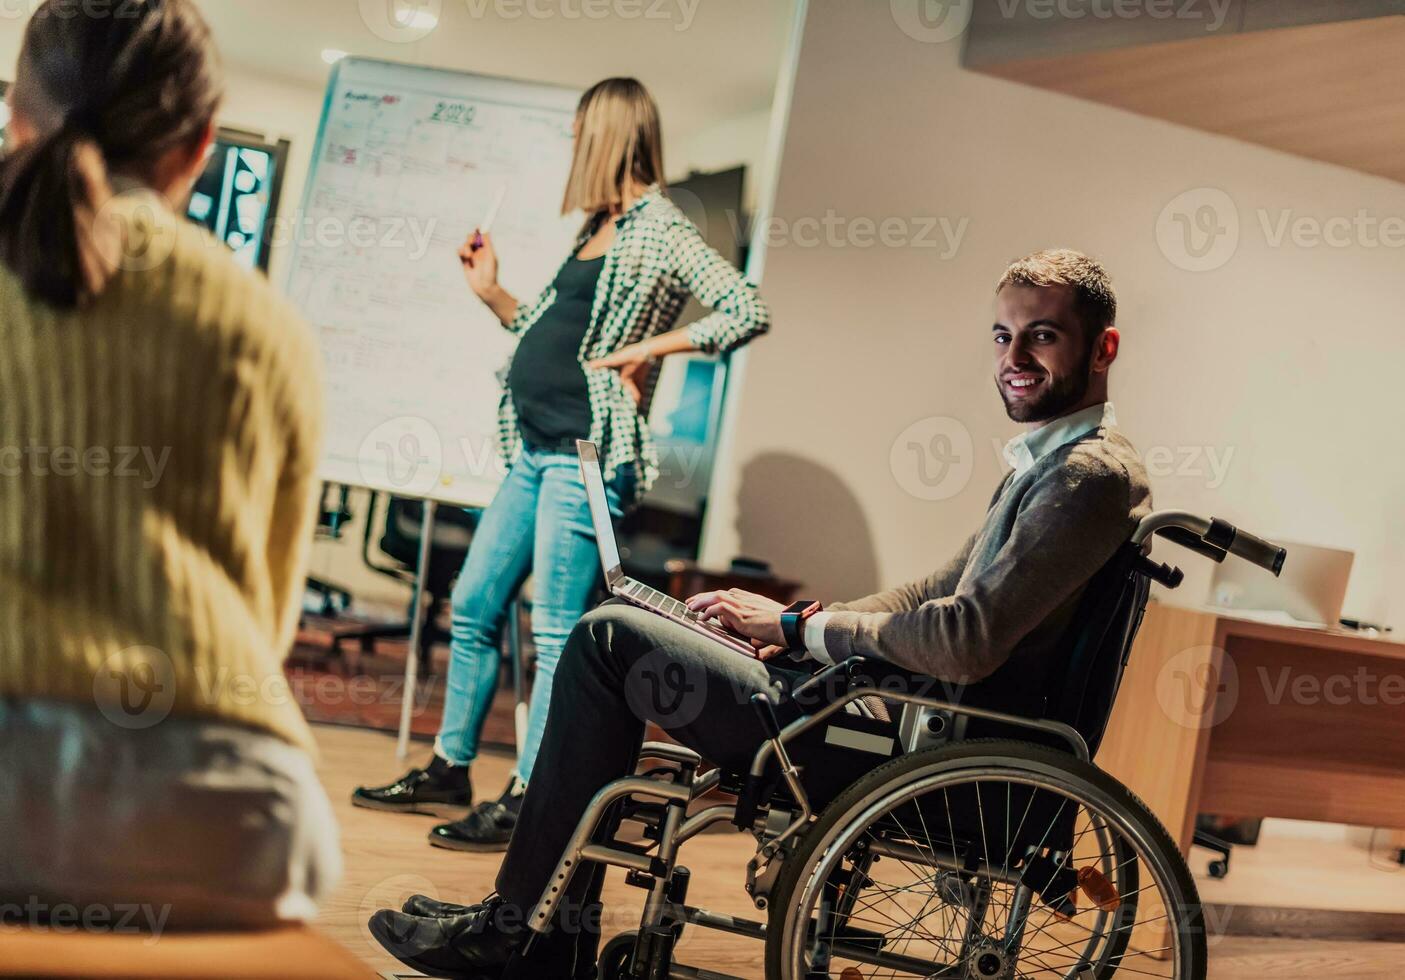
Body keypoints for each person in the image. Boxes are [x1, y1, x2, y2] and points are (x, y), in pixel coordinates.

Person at [368, 248, 1154, 978]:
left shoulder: (1084, 479)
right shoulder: (1054, 465)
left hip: (924, 756)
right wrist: (797, 623)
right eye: (1001, 336)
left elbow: (963, 640)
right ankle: (539, 924)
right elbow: (925, 597)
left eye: (1040, 337)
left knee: (611, 638)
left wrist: (795, 631)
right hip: (899, 722)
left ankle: (526, 932)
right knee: (641, 629)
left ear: (1102, 348)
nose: (1012, 361)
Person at [352, 78, 770, 852]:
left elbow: (745, 308)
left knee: (552, 635)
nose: (572, 144)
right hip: (533, 448)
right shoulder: (594, 227)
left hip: (583, 459)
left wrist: (651, 348)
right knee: (473, 603)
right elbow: (546, 331)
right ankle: (449, 765)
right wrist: (491, 293)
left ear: (608, 133)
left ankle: (526, 796)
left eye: (580, 131)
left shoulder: (658, 227)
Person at [0, 0, 338, 929]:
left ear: (18, 117)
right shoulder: (268, 328)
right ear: (199, 146)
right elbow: (266, 613)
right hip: (227, 813)